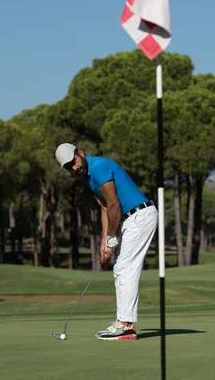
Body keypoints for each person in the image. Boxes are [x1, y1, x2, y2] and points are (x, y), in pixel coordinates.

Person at [55, 143, 158, 341]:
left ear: (81, 153)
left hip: (140, 215)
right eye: (69, 167)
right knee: (121, 269)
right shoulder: (89, 177)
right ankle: (123, 323)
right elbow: (103, 208)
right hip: (133, 218)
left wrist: (112, 238)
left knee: (125, 269)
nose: (74, 168)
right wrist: (104, 241)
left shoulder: (99, 167)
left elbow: (114, 204)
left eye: (73, 162)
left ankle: (126, 326)